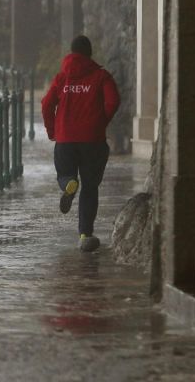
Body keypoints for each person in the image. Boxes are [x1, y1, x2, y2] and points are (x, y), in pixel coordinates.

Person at [41, 35, 120, 252]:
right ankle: (85, 234)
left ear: (71, 53)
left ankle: (68, 185)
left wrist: (52, 130)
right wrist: (100, 122)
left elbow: (47, 104)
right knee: (90, 187)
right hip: (93, 141)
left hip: (65, 139)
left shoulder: (61, 78)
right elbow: (113, 101)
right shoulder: (101, 76)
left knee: (65, 174)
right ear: (89, 53)